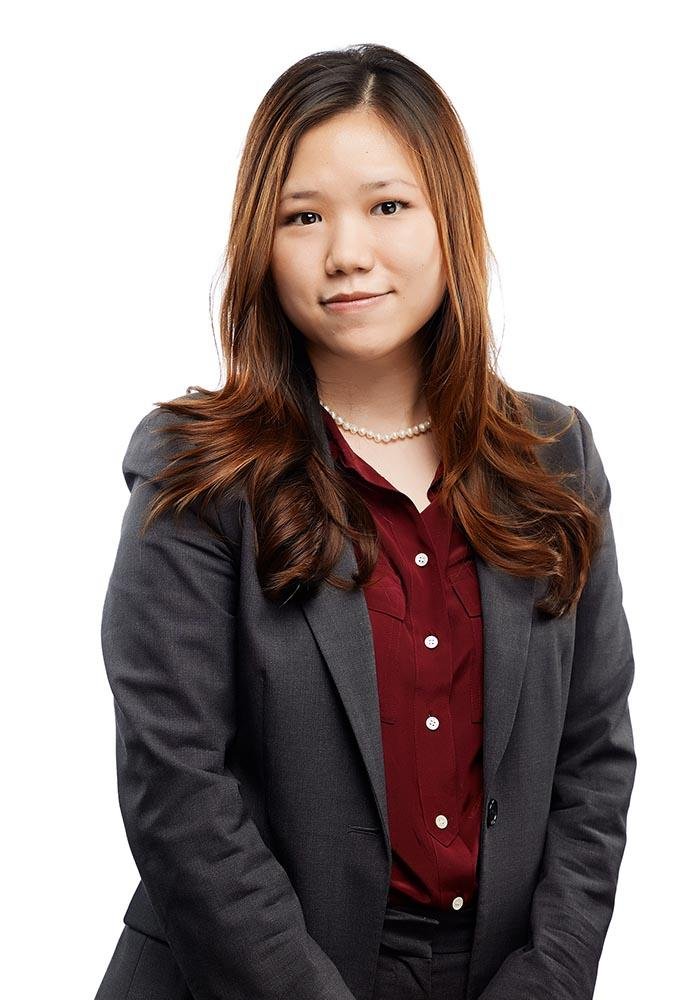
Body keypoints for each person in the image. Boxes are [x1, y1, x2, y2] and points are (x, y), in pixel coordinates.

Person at [94, 42, 636, 1000]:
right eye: (304, 217)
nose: (348, 253)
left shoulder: (556, 456)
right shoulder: (196, 469)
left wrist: (546, 982)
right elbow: (178, 788)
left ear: (448, 219)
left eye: (388, 206)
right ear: (262, 238)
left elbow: (594, 765)